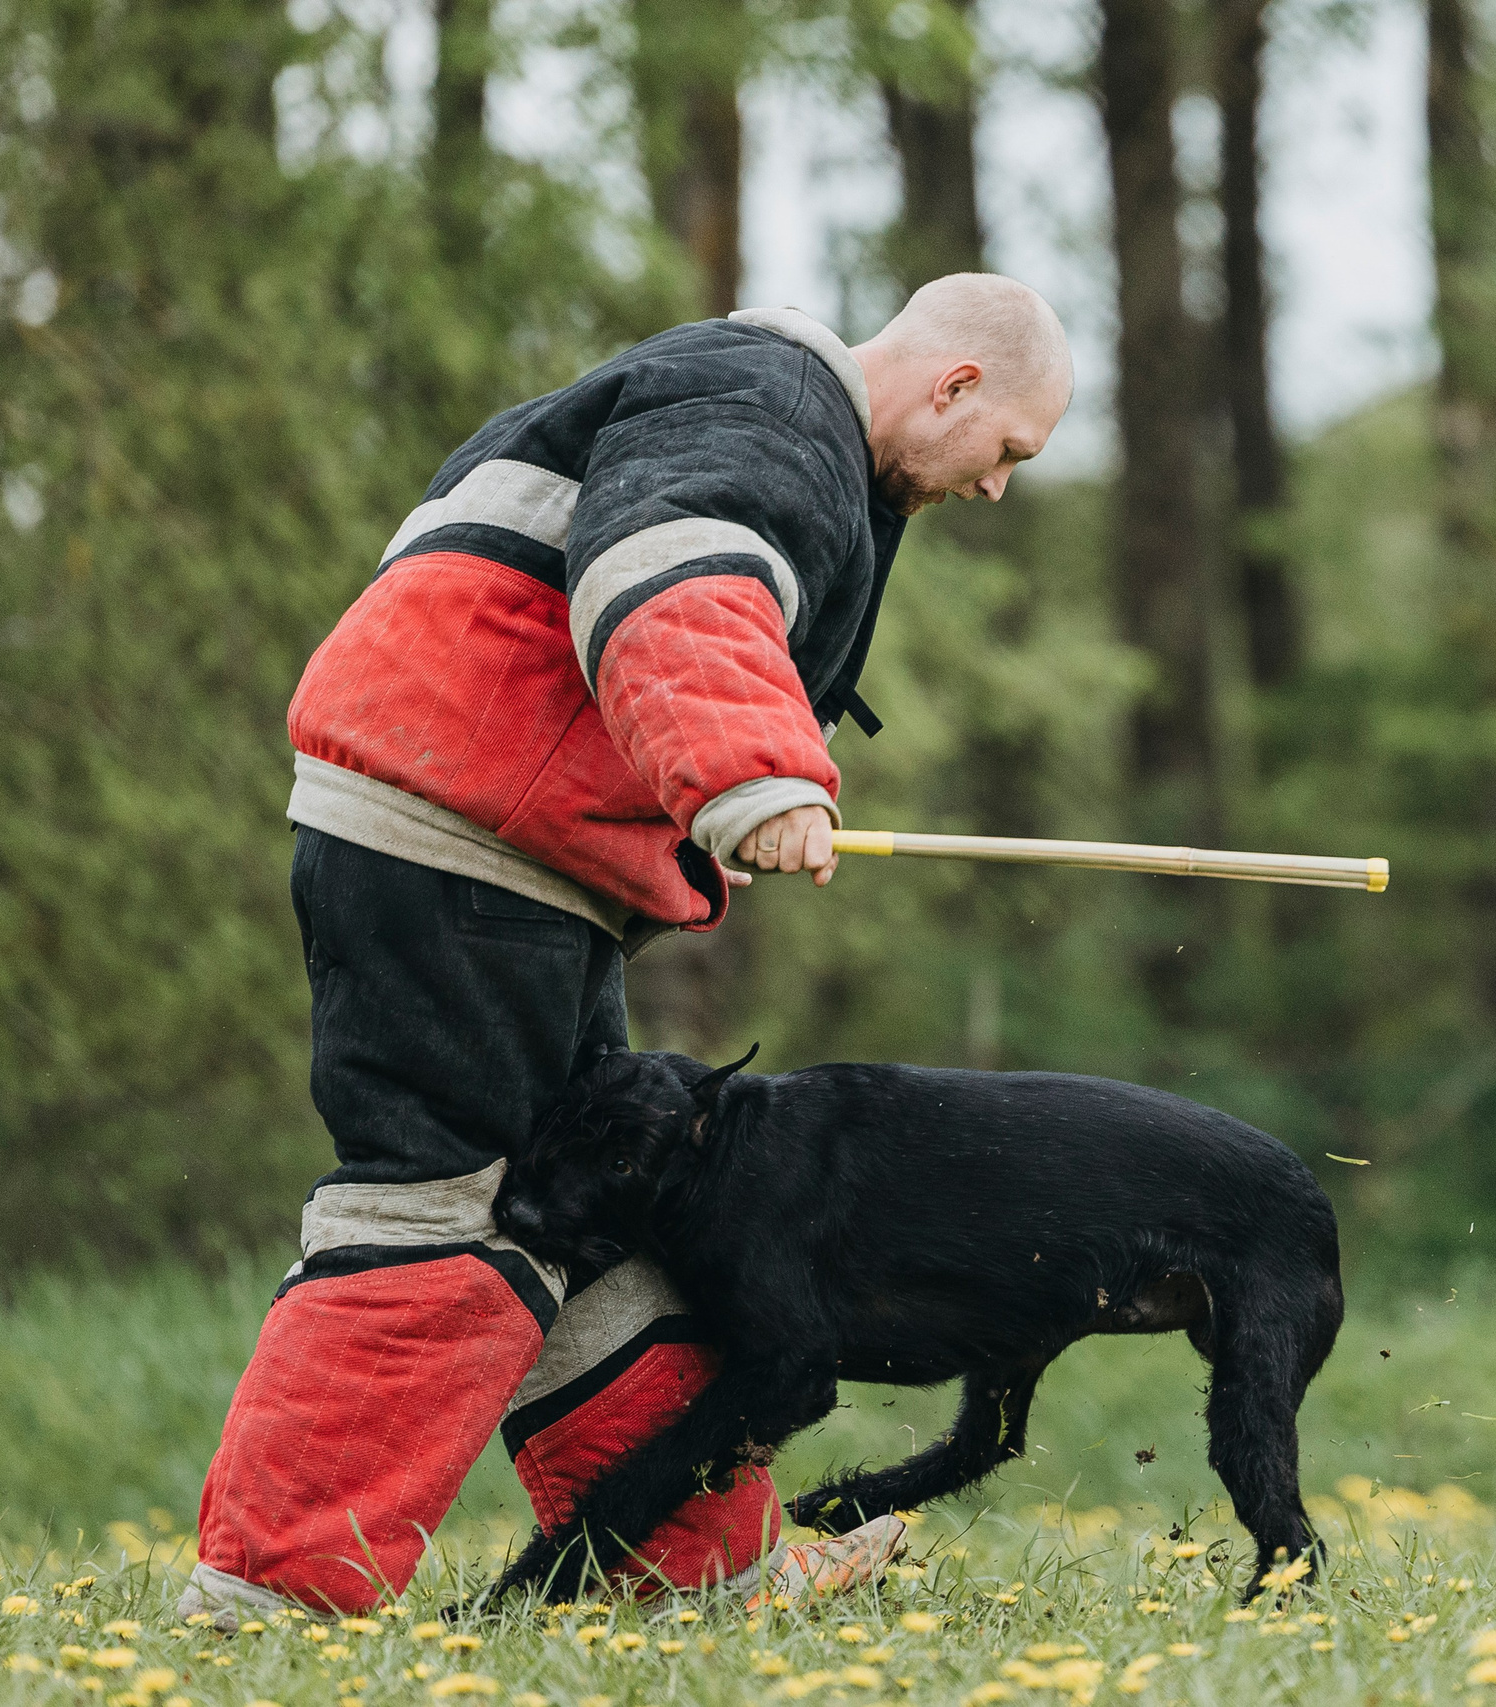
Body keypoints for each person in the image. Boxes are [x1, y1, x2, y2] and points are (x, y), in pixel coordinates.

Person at [180, 275, 1073, 1620]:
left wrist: (753, 770)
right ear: (954, 386)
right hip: (455, 848)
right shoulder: (770, 410)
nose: (997, 489)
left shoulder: (758, 411)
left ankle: (705, 1572)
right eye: (1007, 452)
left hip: (505, 853)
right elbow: (669, 562)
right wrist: (753, 775)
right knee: (445, 1211)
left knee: (596, 1212)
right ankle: (271, 1599)